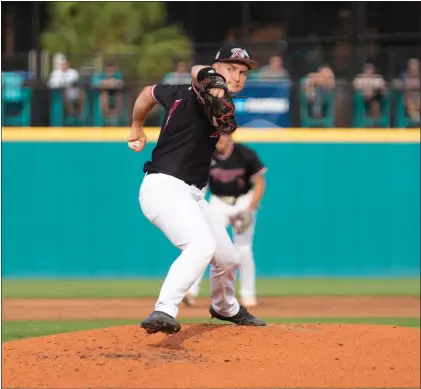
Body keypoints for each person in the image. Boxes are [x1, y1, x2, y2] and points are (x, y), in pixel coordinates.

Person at [127, 45, 266, 335]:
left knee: (229, 258)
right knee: (201, 246)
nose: (238, 77)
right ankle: (164, 309)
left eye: (243, 73)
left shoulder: (212, 98)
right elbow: (195, 73)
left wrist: (138, 125)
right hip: (162, 187)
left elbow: (148, 93)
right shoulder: (195, 89)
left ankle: (225, 307)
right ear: (215, 69)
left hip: (193, 195)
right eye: (231, 69)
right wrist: (136, 126)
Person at [184, 134, 267, 308]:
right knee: (206, 244)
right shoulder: (208, 155)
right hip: (218, 202)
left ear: (229, 137)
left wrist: (250, 209)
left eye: (220, 137)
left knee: (243, 249)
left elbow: (259, 182)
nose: (218, 141)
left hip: (243, 202)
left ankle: (248, 295)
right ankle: (191, 291)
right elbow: (202, 184)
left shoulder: (245, 154)